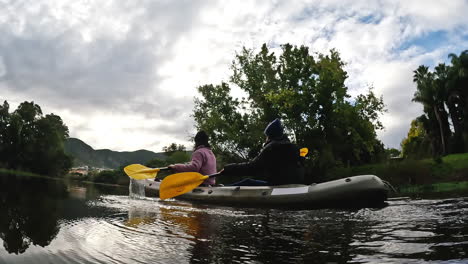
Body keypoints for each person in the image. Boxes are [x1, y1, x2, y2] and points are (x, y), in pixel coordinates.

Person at [221, 118, 304, 186]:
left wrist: (228, 169)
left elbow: (252, 167)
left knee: (247, 182)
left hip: (278, 186)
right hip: (297, 184)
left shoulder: (271, 148)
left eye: (266, 136)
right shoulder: (294, 147)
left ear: (270, 136)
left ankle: (222, 189)